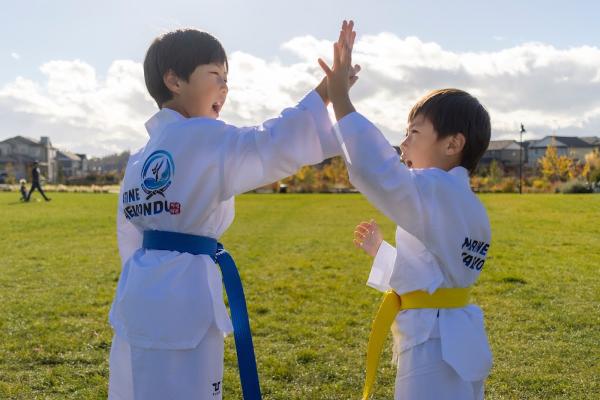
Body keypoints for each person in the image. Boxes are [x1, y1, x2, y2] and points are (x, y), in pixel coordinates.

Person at [108, 22, 358, 400]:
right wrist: (328, 91)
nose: (225, 87)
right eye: (215, 75)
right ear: (174, 81)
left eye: (227, 78)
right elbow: (269, 144)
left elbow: (128, 234)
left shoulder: (140, 157)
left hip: (137, 295)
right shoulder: (204, 137)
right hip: (184, 299)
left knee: (136, 388)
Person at [320, 49, 492, 400]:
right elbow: (428, 274)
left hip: (434, 344)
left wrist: (338, 97)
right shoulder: (468, 204)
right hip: (459, 337)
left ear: (453, 144)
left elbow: (380, 172)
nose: (404, 143)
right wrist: (381, 251)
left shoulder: (437, 190)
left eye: (414, 131)